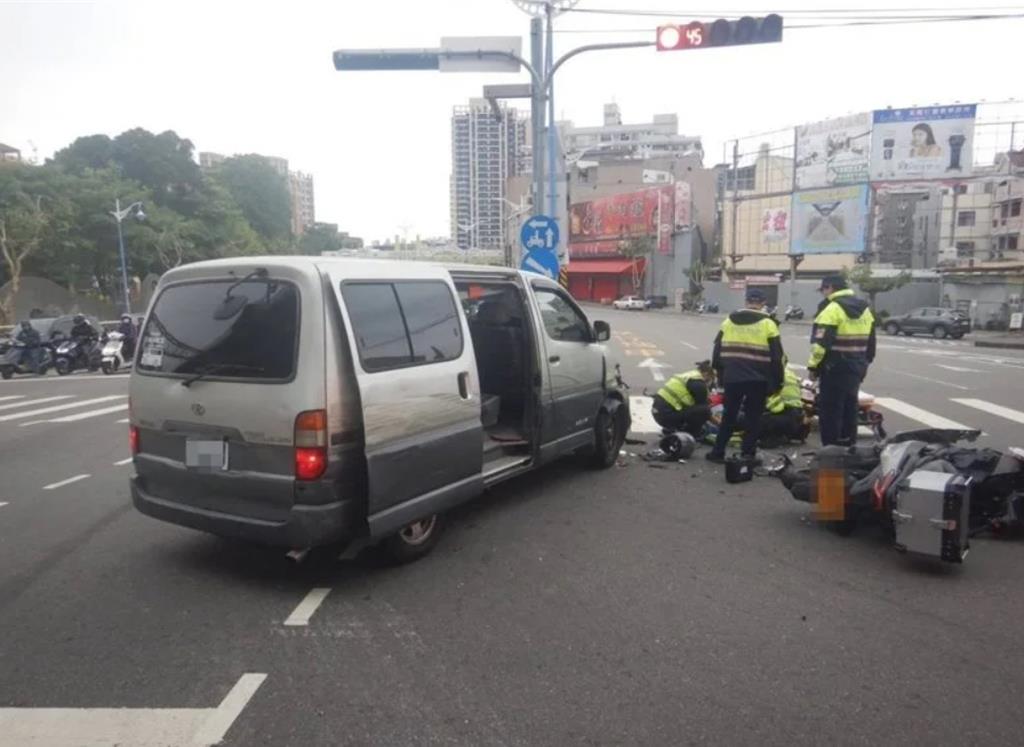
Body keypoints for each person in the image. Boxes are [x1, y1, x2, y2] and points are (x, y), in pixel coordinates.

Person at [707, 288, 785, 464]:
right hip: (757, 379)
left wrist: (720, 375)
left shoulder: (729, 321)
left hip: (732, 377)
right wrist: (777, 382)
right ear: (763, 303)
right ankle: (747, 454)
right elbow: (776, 357)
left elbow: (717, 351)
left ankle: (718, 452)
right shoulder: (768, 324)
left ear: (746, 301)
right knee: (753, 418)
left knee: (729, 415)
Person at [808, 275, 876, 446]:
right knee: (849, 409)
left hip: (834, 368)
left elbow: (819, 345)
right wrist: (864, 364)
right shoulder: (865, 309)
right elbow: (871, 343)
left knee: (830, 411)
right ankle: (848, 449)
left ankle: (831, 452)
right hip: (856, 367)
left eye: (823, 290)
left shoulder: (831, 309)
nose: (823, 294)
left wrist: (813, 367)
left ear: (830, 287)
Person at [651, 360, 716, 439]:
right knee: (704, 410)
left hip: (659, 414)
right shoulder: (699, 384)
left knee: (698, 409)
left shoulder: (689, 376)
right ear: (706, 374)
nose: (711, 382)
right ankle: (691, 434)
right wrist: (720, 424)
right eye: (711, 378)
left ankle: (674, 428)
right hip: (666, 417)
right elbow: (706, 412)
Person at [758, 366, 806, 446]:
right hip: (797, 416)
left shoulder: (768, 374)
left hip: (784, 417)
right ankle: (790, 433)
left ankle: (774, 437)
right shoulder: (789, 373)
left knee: (752, 421)